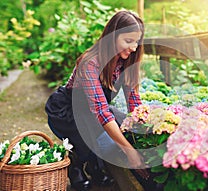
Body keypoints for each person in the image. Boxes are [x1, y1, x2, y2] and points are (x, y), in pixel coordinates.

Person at [45, 10, 150, 191]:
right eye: (128, 41)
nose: (133, 47)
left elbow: (134, 103)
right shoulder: (91, 62)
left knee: (120, 126)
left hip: (92, 109)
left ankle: (95, 165)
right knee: (94, 141)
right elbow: (101, 111)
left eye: (136, 42)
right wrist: (129, 151)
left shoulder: (127, 60)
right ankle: (74, 162)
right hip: (69, 112)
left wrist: (143, 132)